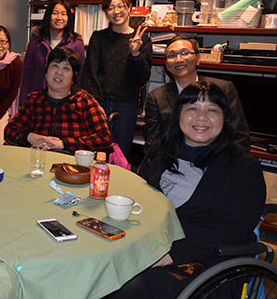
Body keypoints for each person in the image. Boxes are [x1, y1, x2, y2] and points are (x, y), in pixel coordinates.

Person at [108, 81, 265, 298]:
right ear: (178, 115)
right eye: (192, 108)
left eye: (212, 110)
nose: (201, 117)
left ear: (225, 119)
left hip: (202, 265)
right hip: (150, 247)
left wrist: (173, 254)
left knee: (122, 286)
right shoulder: (159, 153)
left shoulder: (243, 168)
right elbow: (139, 200)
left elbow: (234, 231)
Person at [145, 35, 250, 151]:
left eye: (185, 53)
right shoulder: (156, 98)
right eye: (172, 55)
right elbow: (153, 143)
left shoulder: (223, 89)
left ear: (198, 59)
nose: (179, 59)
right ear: (167, 66)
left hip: (217, 160)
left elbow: (239, 137)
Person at [81, 0, 152, 158]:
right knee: (94, 153)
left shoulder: (142, 40)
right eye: (111, 7)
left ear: (129, 8)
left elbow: (143, 78)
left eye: (121, 6)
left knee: (120, 154)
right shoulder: (99, 37)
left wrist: (135, 54)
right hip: (99, 103)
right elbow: (90, 73)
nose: (116, 11)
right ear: (106, 11)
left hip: (126, 106)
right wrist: (95, 105)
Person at [5, 47, 112, 153]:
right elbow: (9, 131)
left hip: (72, 162)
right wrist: (31, 137)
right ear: (46, 73)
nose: (59, 72)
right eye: (55, 66)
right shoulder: (34, 100)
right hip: (38, 158)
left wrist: (63, 144)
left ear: (74, 77)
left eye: (66, 68)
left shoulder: (84, 100)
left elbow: (104, 138)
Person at [18, 0, 85, 105]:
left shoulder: (76, 42)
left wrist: (76, 101)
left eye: (63, 14)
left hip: (65, 100)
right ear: (48, 15)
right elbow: (27, 72)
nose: (59, 18)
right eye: (55, 13)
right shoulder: (36, 39)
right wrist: (23, 102)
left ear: (68, 17)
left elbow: (80, 75)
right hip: (37, 99)